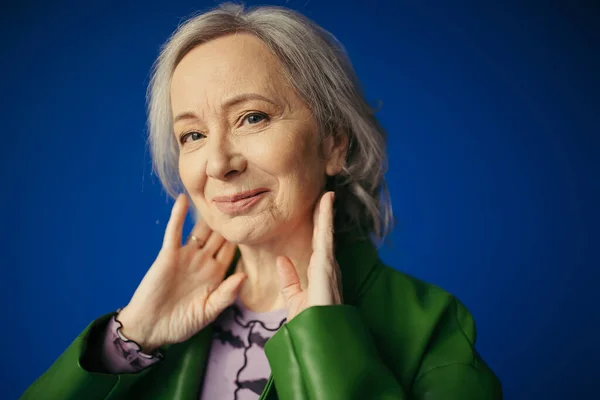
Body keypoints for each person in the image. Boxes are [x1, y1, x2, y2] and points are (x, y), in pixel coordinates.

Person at [22, 3, 502, 399]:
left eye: (252, 118)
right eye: (192, 134)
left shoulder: (434, 326)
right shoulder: (152, 327)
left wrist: (328, 344)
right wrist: (126, 341)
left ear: (334, 143)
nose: (217, 163)